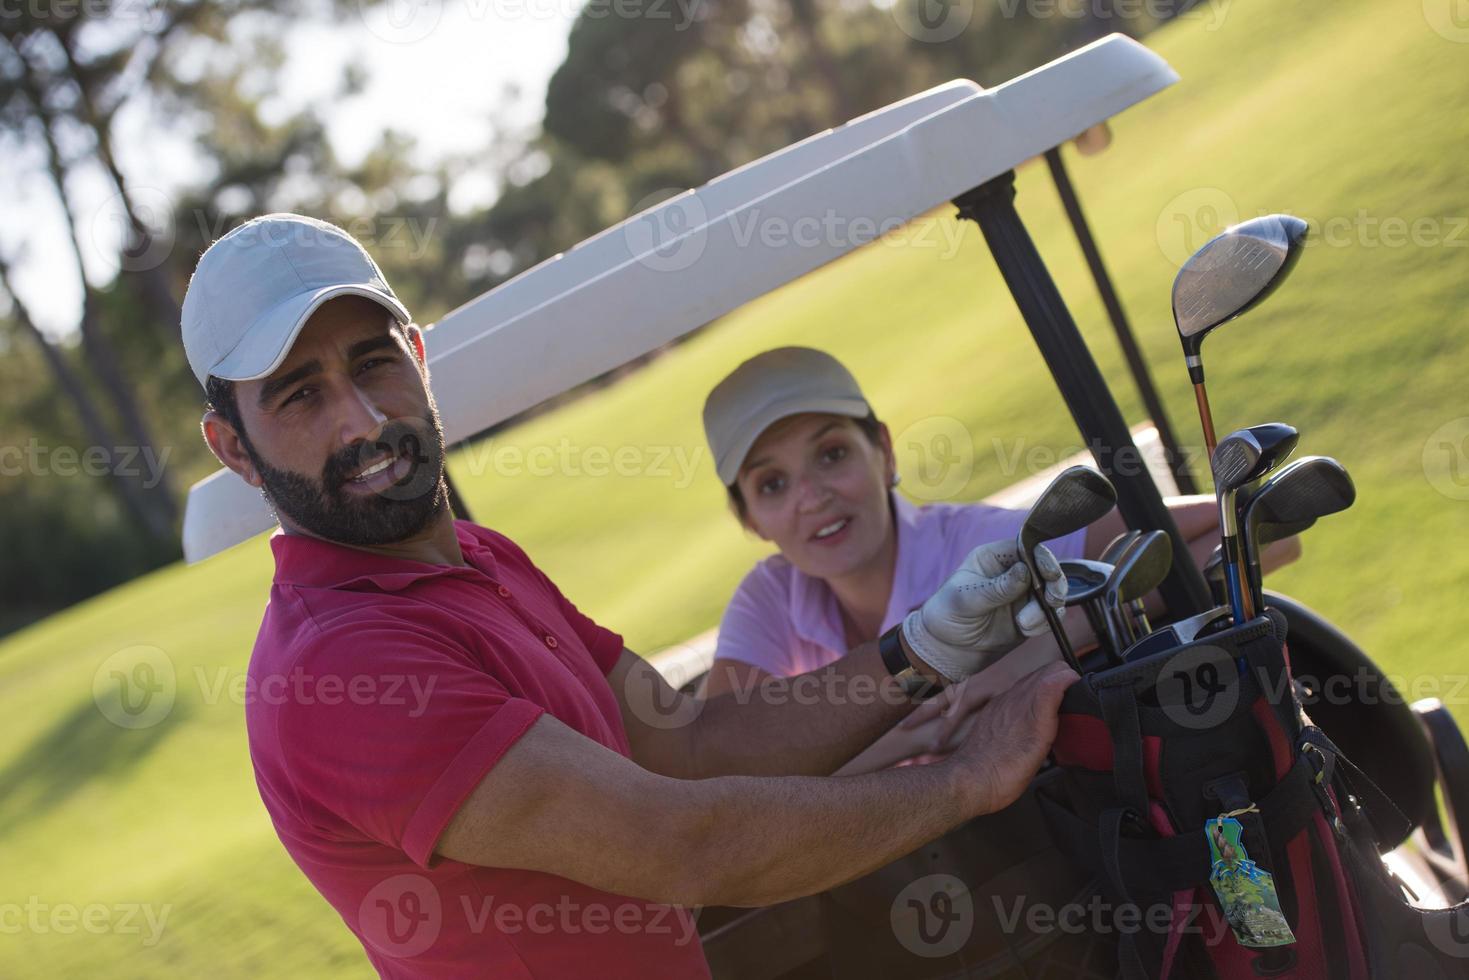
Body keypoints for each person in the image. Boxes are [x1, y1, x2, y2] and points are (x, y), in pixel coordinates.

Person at [183, 214, 1077, 979]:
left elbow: (685, 744)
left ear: (416, 357)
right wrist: (967, 782)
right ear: (232, 447)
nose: (363, 422)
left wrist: (921, 651)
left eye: (373, 362)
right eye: (301, 395)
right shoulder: (340, 667)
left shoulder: (482, 560)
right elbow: (684, 843)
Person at [700, 347, 1233, 769]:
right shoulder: (768, 597)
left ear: (884, 453)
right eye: (772, 483)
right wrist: (913, 726)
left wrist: (1044, 641)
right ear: (749, 519)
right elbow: (715, 759)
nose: (812, 497)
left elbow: (1247, 531)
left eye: (832, 454)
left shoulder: (975, 544)